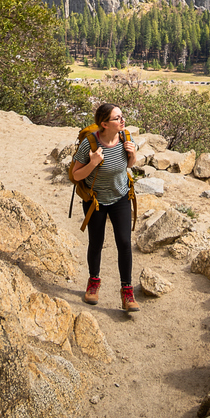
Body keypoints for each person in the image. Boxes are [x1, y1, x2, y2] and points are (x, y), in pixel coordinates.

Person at [70, 102, 140, 313]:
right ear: (104, 124)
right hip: (95, 201)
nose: (122, 121)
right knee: (96, 241)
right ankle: (94, 282)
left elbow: (128, 165)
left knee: (125, 242)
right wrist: (93, 163)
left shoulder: (126, 138)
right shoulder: (90, 145)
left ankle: (127, 291)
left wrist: (133, 153)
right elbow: (76, 175)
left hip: (120, 197)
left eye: (122, 117)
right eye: (117, 118)